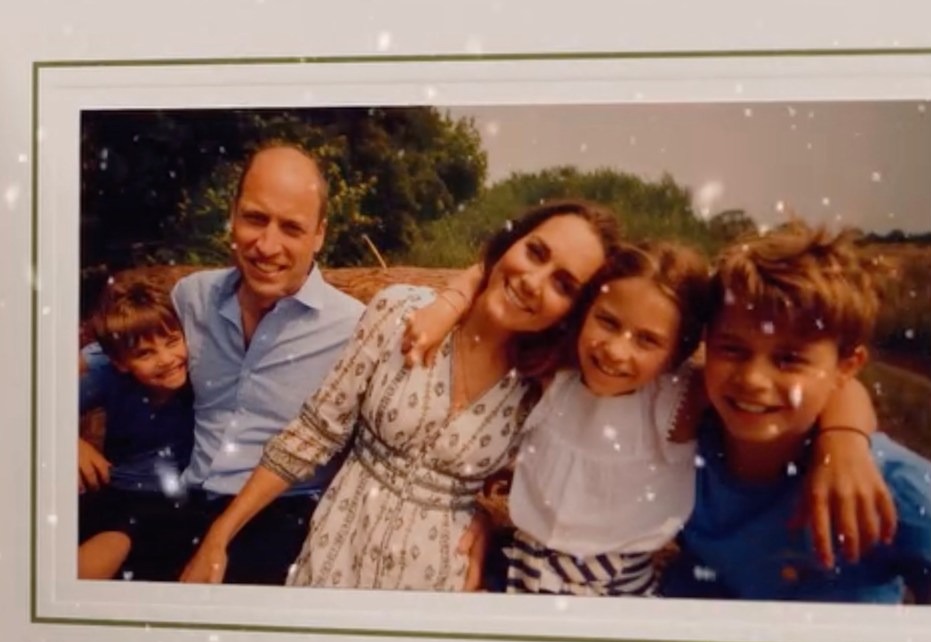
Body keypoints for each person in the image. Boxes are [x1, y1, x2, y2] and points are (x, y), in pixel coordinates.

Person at [403, 238, 893, 597]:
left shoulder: (680, 396)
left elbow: (823, 380)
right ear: (584, 311)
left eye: (647, 340)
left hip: (614, 591)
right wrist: (449, 303)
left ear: (680, 349)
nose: (616, 351)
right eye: (608, 322)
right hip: (522, 572)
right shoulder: (557, 373)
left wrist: (844, 440)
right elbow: (498, 275)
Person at [180, 199, 621, 590]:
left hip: (438, 584)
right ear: (511, 242)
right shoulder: (400, 311)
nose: (533, 281)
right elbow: (314, 433)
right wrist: (220, 535)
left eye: (563, 284)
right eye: (535, 252)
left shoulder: (542, 388)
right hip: (337, 557)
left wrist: (484, 519)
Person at [659, 220, 931, 603]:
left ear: (846, 368)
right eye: (732, 349)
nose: (753, 379)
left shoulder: (890, 490)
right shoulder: (683, 441)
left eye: (789, 360)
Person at [158, 142, 365, 584]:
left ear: (319, 235)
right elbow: (110, 355)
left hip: (285, 517)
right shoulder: (192, 298)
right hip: (184, 502)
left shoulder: (355, 329)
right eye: (255, 218)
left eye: (291, 228)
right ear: (232, 215)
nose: (267, 245)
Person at [77, 281, 194, 580]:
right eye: (145, 354)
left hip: (184, 498)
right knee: (112, 535)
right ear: (120, 362)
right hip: (119, 489)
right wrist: (70, 442)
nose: (166, 359)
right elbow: (35, 404)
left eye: (172, 342)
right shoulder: (107, 372)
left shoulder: (203, 368)